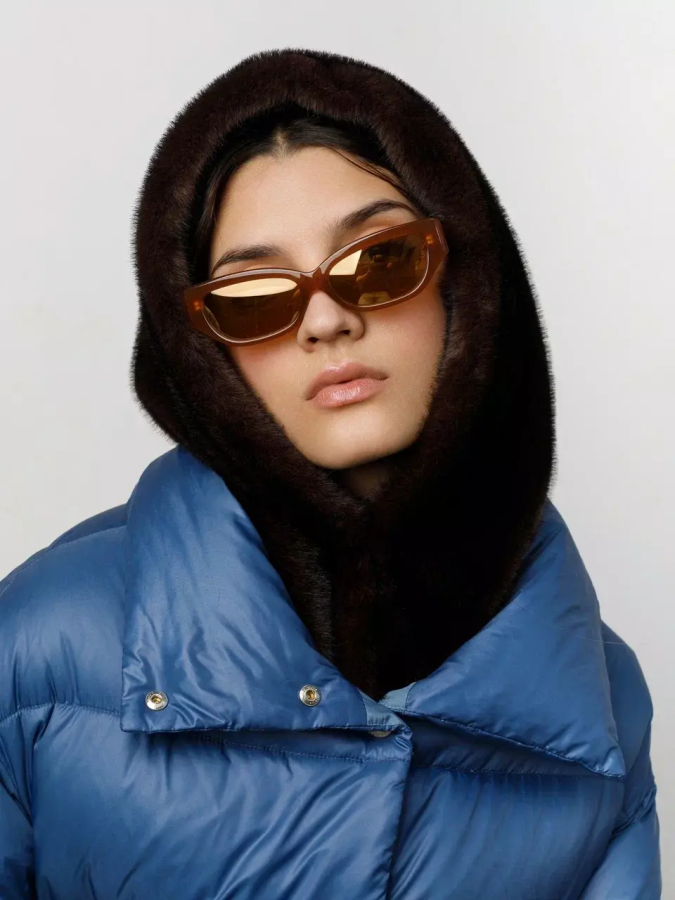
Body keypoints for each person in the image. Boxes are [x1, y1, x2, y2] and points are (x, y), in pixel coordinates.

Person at [0, 48, 661, 899]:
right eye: (254, 296)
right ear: (201, 350)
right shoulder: (40, 645)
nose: (324, 319)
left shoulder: (601, 702)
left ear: (466, 281)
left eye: (379, 260)